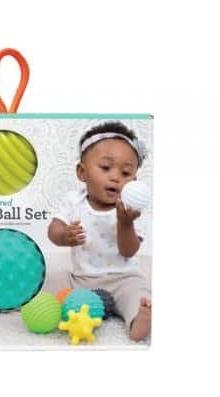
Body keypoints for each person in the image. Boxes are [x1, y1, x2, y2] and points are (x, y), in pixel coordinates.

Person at [48, 121, 151, 341]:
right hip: (81, 279)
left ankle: (139, 318)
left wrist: (125, 224)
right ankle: (8, 303)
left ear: (134, 181)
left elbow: (128, 251)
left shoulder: (130, 211)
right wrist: (64, 236)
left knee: (138, 294)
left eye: (126, 172)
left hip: (123, 278)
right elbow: (53, 230)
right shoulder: (73, 201)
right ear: (82, 172)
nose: (116, 177)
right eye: (105, 168)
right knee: (48, 287)